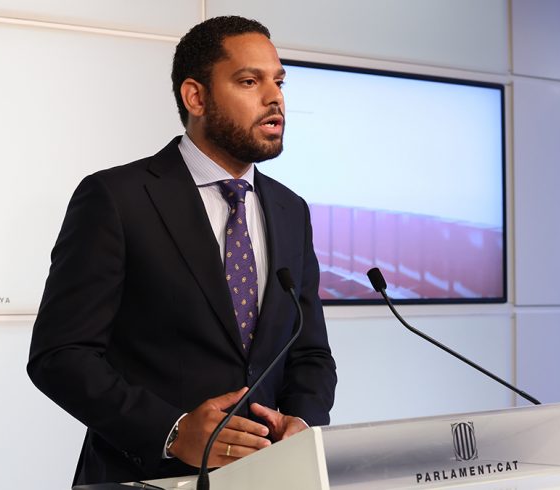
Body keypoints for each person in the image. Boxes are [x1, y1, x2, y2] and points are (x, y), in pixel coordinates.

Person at [27, 15, 337, 486]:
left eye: (278, 81)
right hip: (144, 477)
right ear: (196, 96)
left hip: (268, 477)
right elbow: (61, 355)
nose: (274, 98)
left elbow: (310, 352)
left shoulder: (291, 210)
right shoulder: (117, 197)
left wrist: (304, 423)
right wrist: (171, 432)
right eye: (249, 81)